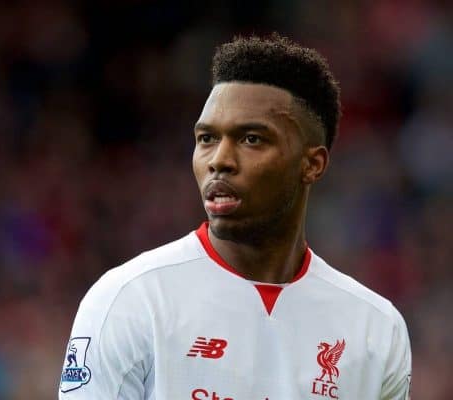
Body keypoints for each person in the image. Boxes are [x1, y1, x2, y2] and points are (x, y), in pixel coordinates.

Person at [58, 34, 411, 400]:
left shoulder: (375, 328)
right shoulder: (130, 300)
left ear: (312, 164)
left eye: (252, 139)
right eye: (207, 138)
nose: (219, 160)